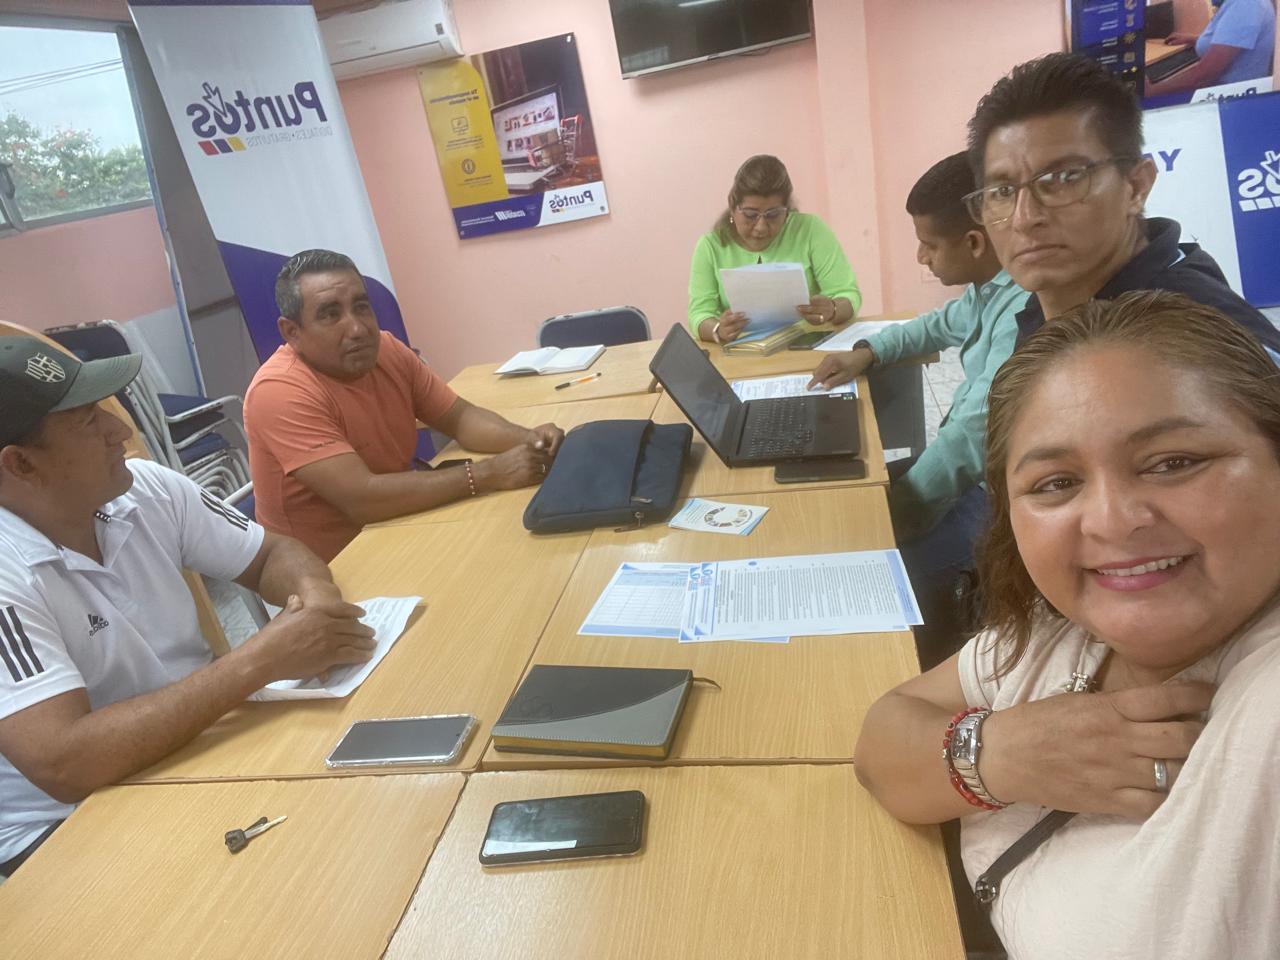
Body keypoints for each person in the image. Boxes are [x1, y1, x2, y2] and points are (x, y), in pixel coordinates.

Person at [854, 291, 1280, 959]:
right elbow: (882, 738)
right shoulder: (1059, 628)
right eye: (1056, 483)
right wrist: (997, 756)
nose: (1112, 521)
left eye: (1174, 462)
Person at [0, 336, 375, 879]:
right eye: (87, 422)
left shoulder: (144, 490)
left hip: (194, 742)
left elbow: (272, 554)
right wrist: (261, 660)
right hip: (72, 820)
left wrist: (316, 608)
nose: (119, 432)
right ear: (20, 465)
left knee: (354, 814)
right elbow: (64, 763)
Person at [244, 249, 565, 561]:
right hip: (328, 567)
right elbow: (362, 498)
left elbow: (460, 418)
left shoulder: (387, 349)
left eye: (361, 307)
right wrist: (489, 474)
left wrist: (531, 440)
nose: (357, 329)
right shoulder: (279, 391)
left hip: (398, 524)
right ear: (292, 332)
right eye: (330, 315)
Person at [964, 52, 1280, 356]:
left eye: (1063, 178)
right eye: (1003, 192)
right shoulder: (1056, 301)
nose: (1024, 218)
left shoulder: (1200, 342)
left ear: (1136, 187)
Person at [687, 155, 862, 344]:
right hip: (741, 350)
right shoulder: (710, 246)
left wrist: (833, 309)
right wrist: (718, 330)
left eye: (773, 215)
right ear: (732, 207)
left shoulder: (810, 230)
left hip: (807, 344)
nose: (761, 227)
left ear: (787, 211)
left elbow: (848, 294)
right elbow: (699, 313)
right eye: (750, 214)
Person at [1146, 0, 1276, 97]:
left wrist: (1152, 90)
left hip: (1231, 98)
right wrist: (1197, 39)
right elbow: (1234, 37)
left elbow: (1203, 76)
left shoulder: (1245, 5)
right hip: (1231, 93)